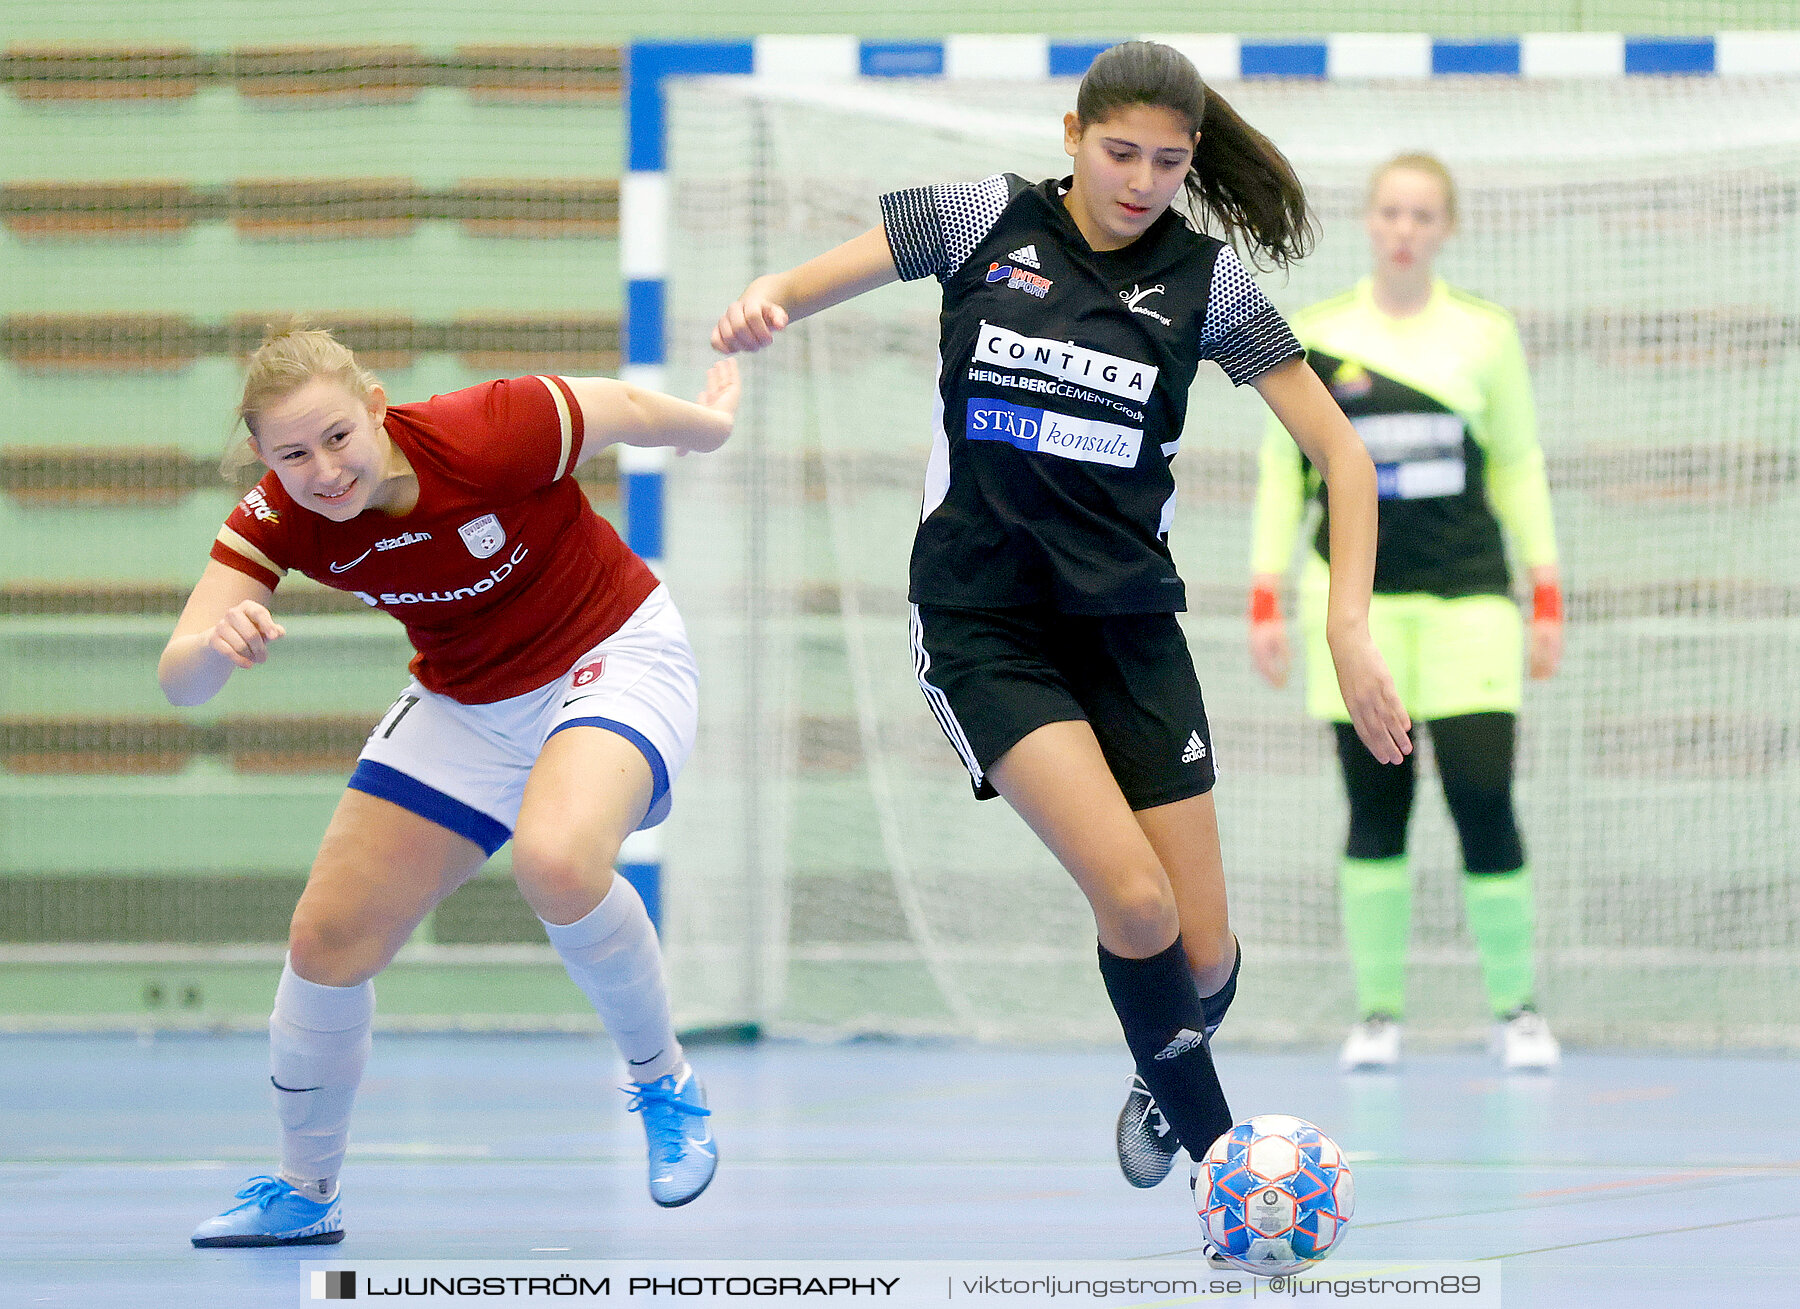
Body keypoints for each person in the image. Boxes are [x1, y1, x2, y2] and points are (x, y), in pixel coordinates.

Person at [711, 40, 1411, 1215]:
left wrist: (1348, 626)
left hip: (1131, 625)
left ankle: (1162, 1065)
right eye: (1121, 152)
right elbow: (813, 277)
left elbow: (1343, 452)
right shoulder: (981, 216)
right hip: (986, 623)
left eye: (1169, 163)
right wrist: (765, 307)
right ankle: (1231, 1177)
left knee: (1204, 958)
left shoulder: (1211, 285)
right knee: (1133, 903)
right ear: (1072, 134)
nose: (1142, 181)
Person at [162, 325, 740, 1246]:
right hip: (469, 700)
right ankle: (307, 1190)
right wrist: (214, 648)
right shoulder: (280, 518)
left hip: (611, 650)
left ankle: (665, 1080)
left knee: (556, 861)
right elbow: (178, 677)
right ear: (265, 461)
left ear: (377, 410)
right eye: (294, 454)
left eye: (339, 437)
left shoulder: (487, 429)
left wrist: (708, 429)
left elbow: (625, 411)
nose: (326, 470)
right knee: (325, 939)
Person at [1247, 153, 1564, 1073]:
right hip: (1356, 615)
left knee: (1481, 797)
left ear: (1445, 228)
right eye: (1390, 212)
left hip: (1471, 604)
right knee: (1374, 806)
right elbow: (1284, 476)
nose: (1404, 229)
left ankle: (1519, 1009)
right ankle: (1378, 1012)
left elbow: (1519, 463)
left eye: (1423, 215)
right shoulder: (1313, 334)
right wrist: (1265, 598)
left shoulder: (1486, 336)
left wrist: (1545, 592)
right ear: (1369, 221)